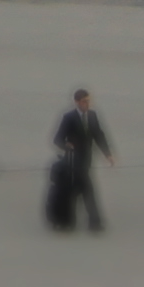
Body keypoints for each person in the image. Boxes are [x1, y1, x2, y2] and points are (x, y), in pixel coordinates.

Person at [52, 88, 112, 233]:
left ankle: (72, 222)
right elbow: (58, 139)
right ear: (77, 102)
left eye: (88, 101)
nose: (87, 104)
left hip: (86, 162)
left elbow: (99, 135)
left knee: (79, 191)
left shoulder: (92, 116)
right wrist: (66, 145)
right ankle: (92, 223)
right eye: (84, 101)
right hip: (73, 163)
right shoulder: (69, 118)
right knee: (86, 191)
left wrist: (107, 154)